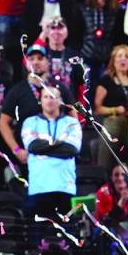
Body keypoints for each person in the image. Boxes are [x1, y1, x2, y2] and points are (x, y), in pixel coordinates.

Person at [22, 86, 82, 227]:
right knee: (38, 236)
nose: (50, 100)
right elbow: (32, 146)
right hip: (38, 188)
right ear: (40, 100)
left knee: (67, 236)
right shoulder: (30, 122)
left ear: (60, 101)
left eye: (53, 97)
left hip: (65, 187)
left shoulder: (72, 123)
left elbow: (71, 150)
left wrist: (42, 148)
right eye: (46, 97)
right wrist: (60, 143)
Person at [93, 46, 128, 166]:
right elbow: (97, 109)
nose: (123, 59)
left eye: (126, 56)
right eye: (119, 56)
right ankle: (103, 172)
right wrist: (115, 109)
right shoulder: (106, 80)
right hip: (114, 121)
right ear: (113, 60)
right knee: (110, 135)